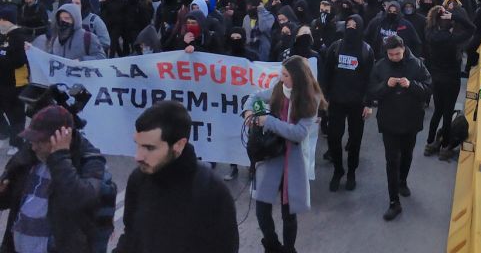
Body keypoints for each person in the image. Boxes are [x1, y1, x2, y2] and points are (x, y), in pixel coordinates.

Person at [114, 101, 239, 253]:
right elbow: (131, 236)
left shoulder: (212, 191)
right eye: (138, 145)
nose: (138, 156)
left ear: (179, 145)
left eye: (149, 148)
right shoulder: (138, 179)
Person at [242, 56, 326, 253]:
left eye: (286, 75)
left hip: (293, 161)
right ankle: (272, 246)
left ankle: (289, 249)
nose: (281, 77)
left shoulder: (311, 99)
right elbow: (255, 96)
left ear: (297, 77)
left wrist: (267, 122)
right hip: (271, 156)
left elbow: (298, 133)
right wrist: (247, 111)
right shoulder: (278, 88)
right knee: (262, 209)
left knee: (289, 214)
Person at [0, 105, 109, 252]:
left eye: (39, 141)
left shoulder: (88, 162)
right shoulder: (29, 157)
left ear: (61, 138)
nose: (33, 147)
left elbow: (81, 201)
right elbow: (11, 198)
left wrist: (59, 157)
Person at [367, 35, 432, 221]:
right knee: (391, 160)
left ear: (404, 49)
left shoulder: (417, 65)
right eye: (391, 54)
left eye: (397, 53)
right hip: (389, 121)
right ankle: (393, 201)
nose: (394, 57)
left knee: (407, 154)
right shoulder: (380, 66)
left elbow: (428, 89)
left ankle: (403, 180)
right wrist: (385, 86)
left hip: (411, 119)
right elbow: (372, 91)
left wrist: (411, 85)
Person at [321, 14, 374, 192]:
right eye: (348, 24)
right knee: (334, 138)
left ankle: (351, 172)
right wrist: (324, 97)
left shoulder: (366, 50)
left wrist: (368, 103)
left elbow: (370, 79)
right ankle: (338, 170)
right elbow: (326, 74)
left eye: (354, 25)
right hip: (336, 101)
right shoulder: (335, 47)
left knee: (355, 140)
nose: (351, 27)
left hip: (357, 103)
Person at [423, 6, 475, 160]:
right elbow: (471, 28)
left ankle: (430, 142)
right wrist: (454, 16)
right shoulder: (452, 39)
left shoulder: (430, 34)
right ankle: (445, 147)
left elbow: (431, 22)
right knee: (447, 113)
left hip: (436, 77)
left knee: (437, 111)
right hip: (451, 78)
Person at [31, 3, 107, 60]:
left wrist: (82, 60)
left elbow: (101, 57)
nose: (63, 21)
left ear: (75, 19)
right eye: (61, 18)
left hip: (82, 78)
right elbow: (50, 57)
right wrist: (32, 50)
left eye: (67, 18)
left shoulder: (88, 37)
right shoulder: (56, 38)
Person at [0, 7, 27, 154]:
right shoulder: (2, 36)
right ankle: (4, 133)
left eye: (2, 20)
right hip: (2, 81)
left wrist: (3, 59)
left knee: (16, 114)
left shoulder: (18, 36)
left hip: (16, 82)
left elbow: (19, 61)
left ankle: (16, 143)